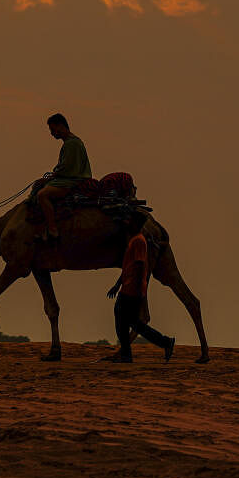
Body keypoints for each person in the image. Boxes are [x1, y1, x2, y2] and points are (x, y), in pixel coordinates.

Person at [104, 212, 174, 363]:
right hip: (130, 287)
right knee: (133, 323)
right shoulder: (135, 240)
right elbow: (129, 266)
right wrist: (118, 284)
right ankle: (164, 343)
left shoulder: (139, 242)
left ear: (136, 224)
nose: (127, 222)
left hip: (132, 289)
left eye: (130, 220)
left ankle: (127, 354)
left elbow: (140, 265)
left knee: (123, 318)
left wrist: (135, 288)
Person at [36, 113, 91, 242]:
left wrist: (51, 177)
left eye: (53, 129)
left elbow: (67, 168)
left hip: (72, 181)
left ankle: (52, 229)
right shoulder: (71, 143)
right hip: (69, 178)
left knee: (42, 195)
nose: (52, 133)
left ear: (60, 126)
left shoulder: (72, 144)